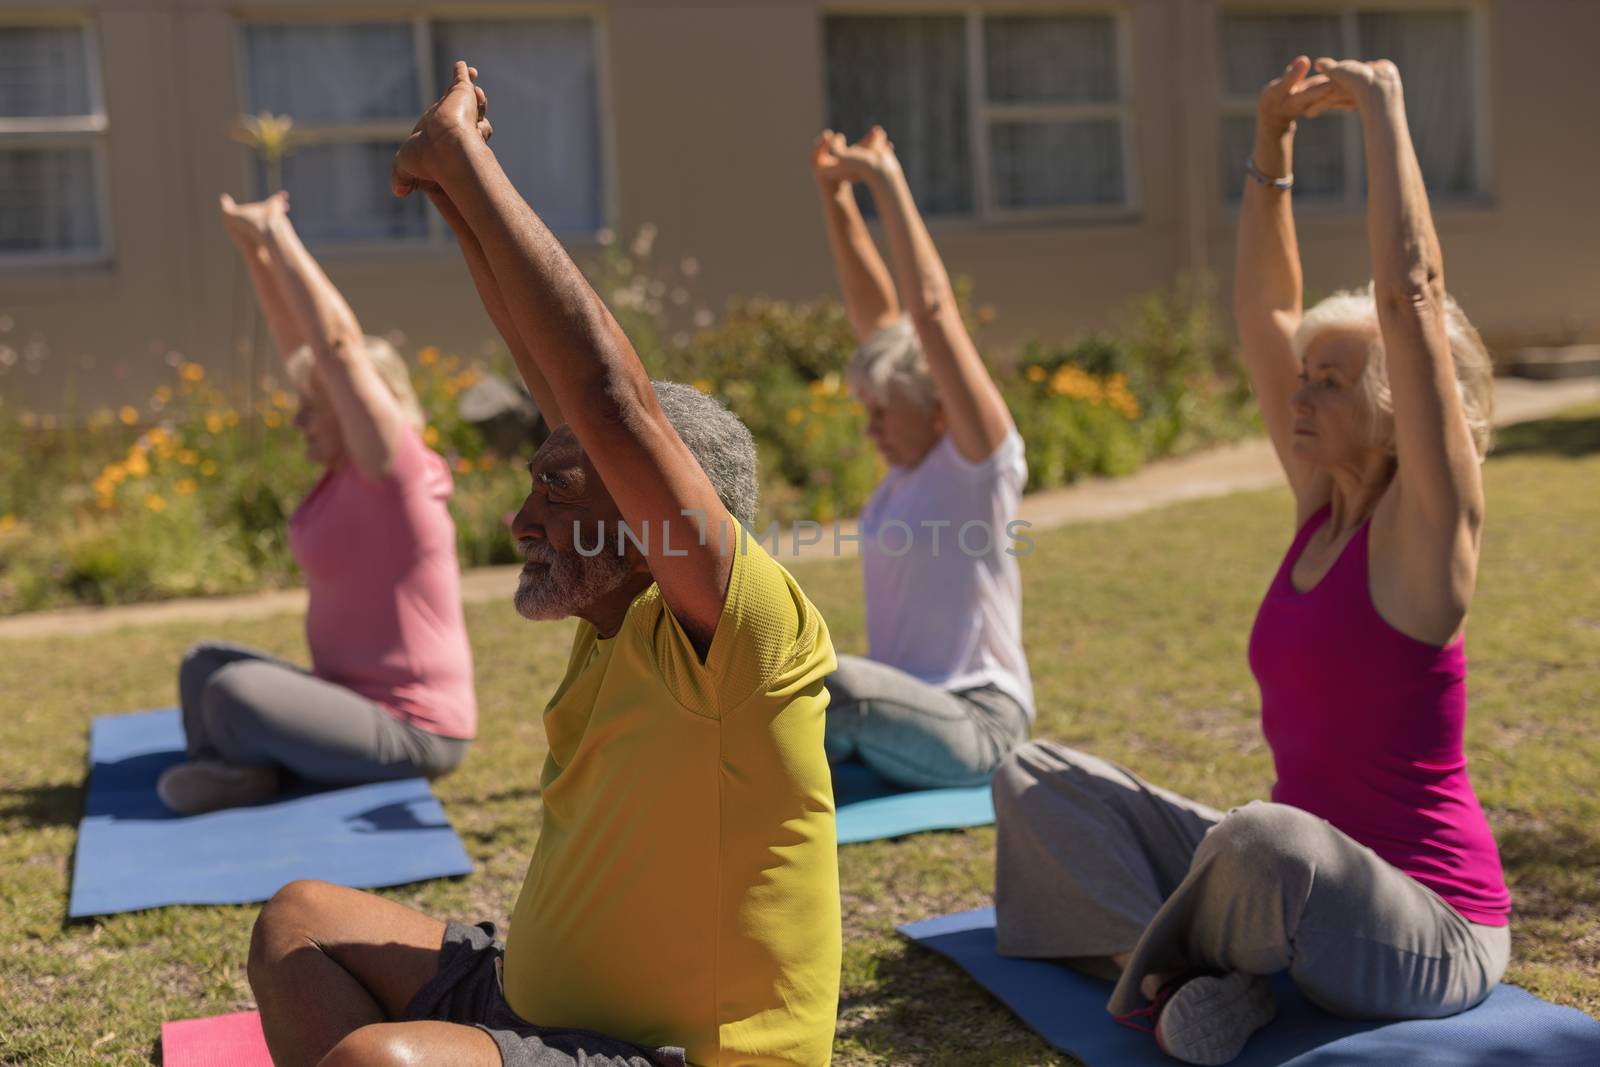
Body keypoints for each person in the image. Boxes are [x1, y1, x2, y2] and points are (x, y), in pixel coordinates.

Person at [245, 64, 841, 1067]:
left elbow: (611, 403)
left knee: (378, 1061)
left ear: (659, 518)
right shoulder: (613, 619)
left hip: (679, 1055)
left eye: (561, 492)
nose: (524, 518)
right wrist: (451, 198)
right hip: (533, 996)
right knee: (297, 920)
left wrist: (471, 167)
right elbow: (564, 384)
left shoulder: (739, 633)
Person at [991, 56, 1509, 1066]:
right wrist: (1269, 145)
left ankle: (1163, 966)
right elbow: (1264, 314)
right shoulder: (1319, 508)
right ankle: (1185, 980)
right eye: (1304, 377)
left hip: (1426, 927)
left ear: (1397, 407)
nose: (1300, 395)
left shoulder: (1423, 530)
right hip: (1284, 885)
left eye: (1331, 381)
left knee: (1265, 839)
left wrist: (1384, 109)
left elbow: (1411, 299)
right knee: (1035, 771)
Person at [156, 193, 476, 814]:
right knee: (203, 667)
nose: (299, 416)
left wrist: (278, 230)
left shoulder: (393, 472)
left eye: (315, 406)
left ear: (362, 410)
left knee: (233, 691)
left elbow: (335, 348)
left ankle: (242, 770)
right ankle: (232, 767)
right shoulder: (343, 474)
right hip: (347, 698)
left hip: (414, 728)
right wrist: (251, 248)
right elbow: (302, 346)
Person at [807, 125, 1033, 789]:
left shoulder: (977, 464)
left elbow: (931, 315)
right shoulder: (907, 477)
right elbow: (880, 316)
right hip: (911, 714)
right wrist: (836, 196)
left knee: (831, 684)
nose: (870, 425)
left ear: (938, 408)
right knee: (773, 671)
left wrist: (886, 179)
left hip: (979, 721)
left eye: (884, 410)